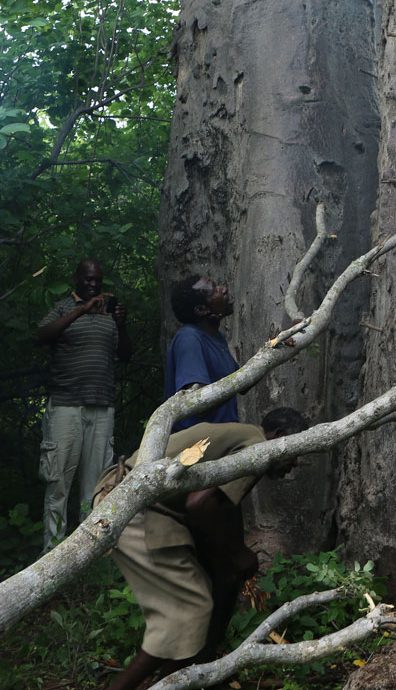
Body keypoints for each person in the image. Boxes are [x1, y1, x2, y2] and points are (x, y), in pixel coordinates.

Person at [94, 407, 308, 690]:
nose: (295, 463)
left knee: (196, 603)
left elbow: (217, 510)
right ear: (280, 438)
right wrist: (235, 556)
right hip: (131, 505)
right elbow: (199, 505)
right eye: (296, 451)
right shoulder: (257, 448)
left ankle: (191, 680)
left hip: (140, 500)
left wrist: (228, 561)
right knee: (186, 611)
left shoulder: (242, 438)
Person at [36, 257, 132, 550]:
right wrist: (81, 310)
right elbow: (41, 335)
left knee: (97, 484)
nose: (93, 285)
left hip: (101, 406)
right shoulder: (64, 307)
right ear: (76, 279)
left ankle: (88, 552)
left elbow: (125, 355)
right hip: (66, 405)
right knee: (58, 482)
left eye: (97, 281)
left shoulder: (109, 313)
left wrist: (121, 325)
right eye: (88, 280)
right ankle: (53, 550)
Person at [165, 275, 239, 431]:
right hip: (196, 442)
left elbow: (243, 379)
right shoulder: (189, 339)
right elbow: (199, 404)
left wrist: (283, 340)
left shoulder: (217, 338)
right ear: (201, 310)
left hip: (220, 433)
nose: (223, 289)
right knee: (253, 434)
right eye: (215, 289)